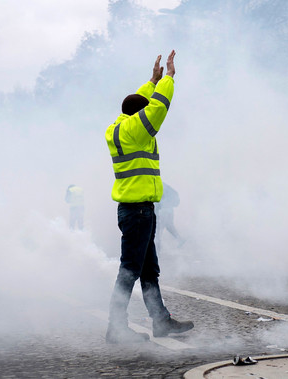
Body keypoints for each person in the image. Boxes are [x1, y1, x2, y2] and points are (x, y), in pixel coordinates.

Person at [104, 50, 193, 344]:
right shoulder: (137, 131)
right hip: (139, 213)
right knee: (129, 271)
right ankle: (116, 328)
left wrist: (151, 81)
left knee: (148, 271)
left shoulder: (117, 127)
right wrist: (167, 78)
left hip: (136, 212)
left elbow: (136, 104)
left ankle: (161, 321)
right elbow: (156, 109)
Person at [155, 182, 186, 251]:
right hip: (169, 211)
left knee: (158, 230)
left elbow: (157, 201)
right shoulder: (165, 185)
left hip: (162, 211)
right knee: (169, 226)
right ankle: (180, 239)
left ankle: (157, 250)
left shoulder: (157, 185)